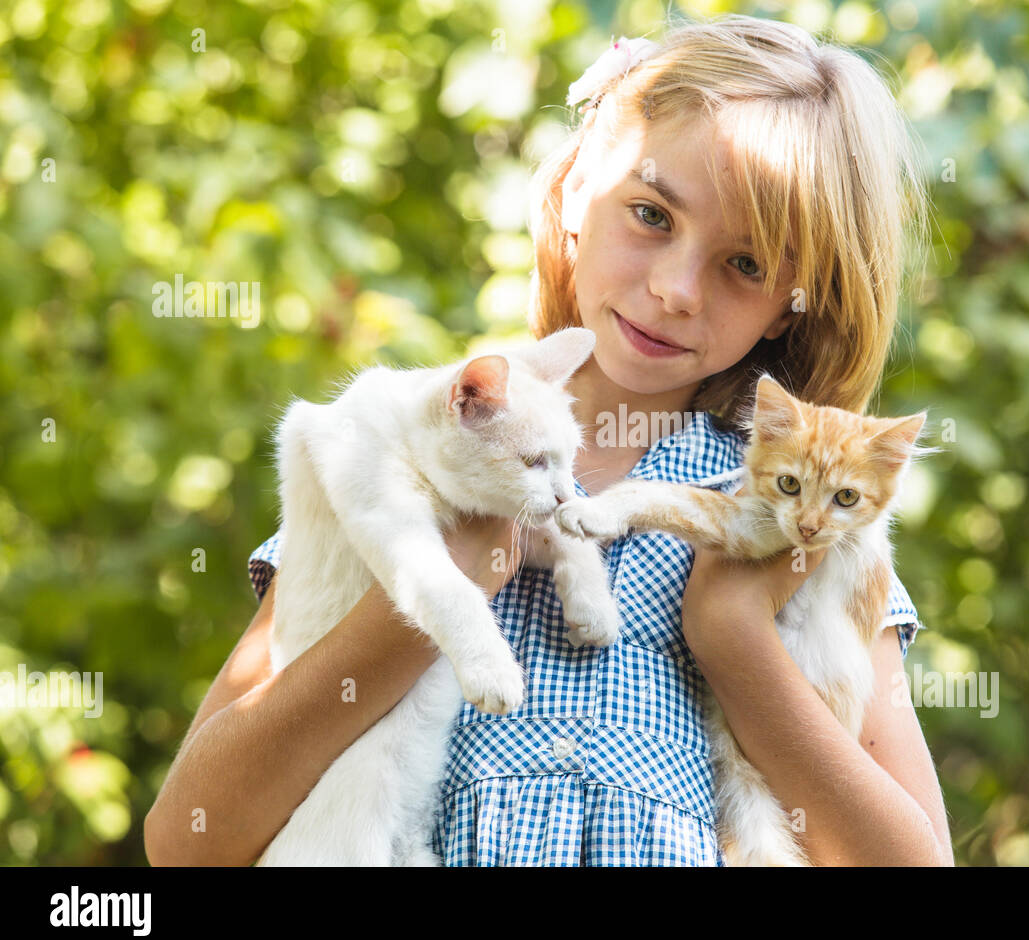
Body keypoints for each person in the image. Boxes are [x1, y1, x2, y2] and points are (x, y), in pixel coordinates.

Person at [145, 13, 954, 866]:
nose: (677, 289)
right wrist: (428, 598)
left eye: (745, 265)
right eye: (650, 214)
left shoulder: (803, 516)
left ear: (799, 297)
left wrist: (734, 638)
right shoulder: (418, 451)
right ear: (573, 190)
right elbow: (186, 838)